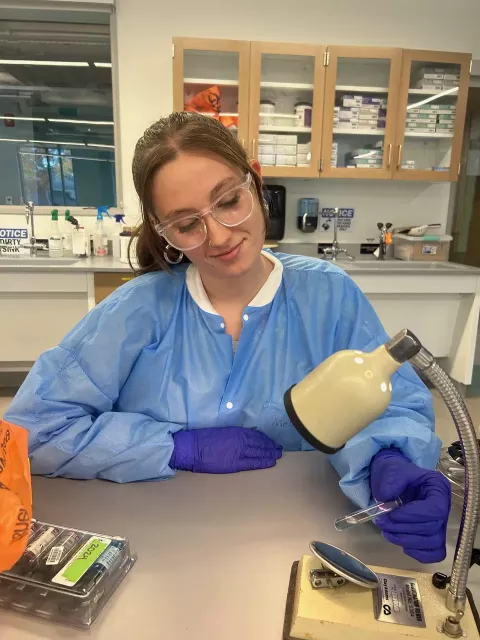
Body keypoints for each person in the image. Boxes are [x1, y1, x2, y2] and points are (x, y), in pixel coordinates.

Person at [6, 112, 450, 563]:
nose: (218, 235)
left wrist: (389, 459)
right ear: (166, 234)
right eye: (186, 223)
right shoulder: (136, 310)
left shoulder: (329, 295)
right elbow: (33, 432)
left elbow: (391, 404)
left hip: (302, 542)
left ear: (254, 182)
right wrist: (173, 447)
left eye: (227, 201)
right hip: (158, 545)